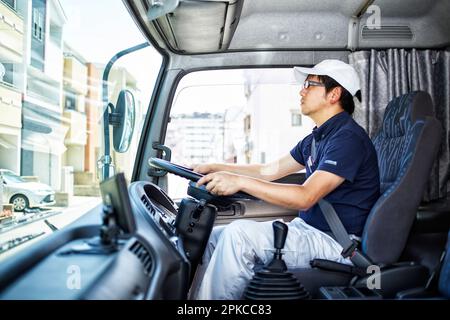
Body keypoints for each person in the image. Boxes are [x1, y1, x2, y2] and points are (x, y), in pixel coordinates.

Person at [189, 59, 380, 300]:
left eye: (310, 84)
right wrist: (216, 167)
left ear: (334, 94)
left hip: (335, 243)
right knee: (214, 236)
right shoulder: (315, 139)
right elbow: (268, 170)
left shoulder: (348, 139)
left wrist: (239, 182)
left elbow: (305, 197)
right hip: (307, 230)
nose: (302, 90)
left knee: (237, 237)